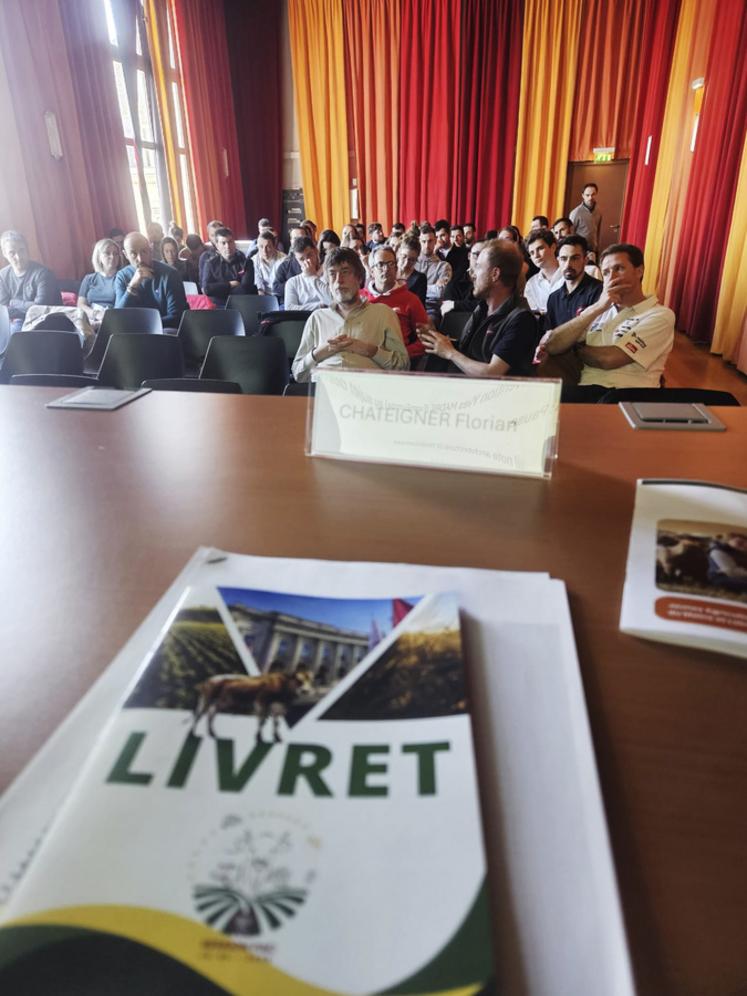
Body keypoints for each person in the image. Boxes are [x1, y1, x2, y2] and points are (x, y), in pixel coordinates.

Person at [539, 243, 675, 397]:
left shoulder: (660, 315)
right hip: (587, 390)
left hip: (630, 395)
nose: (612, 277)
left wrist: (574, 348)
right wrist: (598, 307)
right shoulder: (597, 310)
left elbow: (609, 359)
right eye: (606, 272)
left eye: (619, 269)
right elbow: (552, 345)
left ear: (639, 271)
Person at [418, 239, 538, 378]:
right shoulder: (482, 308)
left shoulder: (521, 319)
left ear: (495, 274)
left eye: (479, 267)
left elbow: (493, 372)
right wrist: (435, 338)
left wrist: (450, 352)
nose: (473, 273)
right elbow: (469, 352)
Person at [291, 246, 409, 382]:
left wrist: (370, 351)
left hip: (367, 394)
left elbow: (403, 367)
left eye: (345, 272)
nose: (338, 280)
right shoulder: (317, 318)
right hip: (325, 393)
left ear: (359, 278)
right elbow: (298, 374)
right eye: (332, 274)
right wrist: (322, 351)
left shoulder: (383, 314)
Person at [361, 244, 430, 365]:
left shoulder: (411, 300)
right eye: (380, 264)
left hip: (395, 363)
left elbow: (425, 339)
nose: (386, 269)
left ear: (396, 268)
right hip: (363, 360)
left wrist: (402, 354)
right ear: (372, 270)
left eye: (390, 264)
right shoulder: (359, 298)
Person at [114, 231, 188, 328]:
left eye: (144, 251)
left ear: (151, 250)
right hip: (134, 334)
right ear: (125, 255)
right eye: (133, 253)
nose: (140, 259)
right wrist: (132, 287)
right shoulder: (122, 276)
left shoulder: (170, 274)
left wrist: (143, 326)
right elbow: (118, 318)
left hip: (165, 330)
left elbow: (177, 318)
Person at [0, 230, 61, 324]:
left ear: (27, 249)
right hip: (17, 321)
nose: (18, 257)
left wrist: (13, 302)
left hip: (46, 322)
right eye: (12, 253)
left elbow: (40, 308)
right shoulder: (2, 276)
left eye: (21, 250)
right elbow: (3, 309)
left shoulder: (43, 274)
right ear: (4, 254)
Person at [545, 236, 603, 330]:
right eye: (564, 259)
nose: (568, 265)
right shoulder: (554, 298)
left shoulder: (599, 291)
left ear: (585, 260)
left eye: (574, 258)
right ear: (558, 260)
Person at [201, 227, 255, 305]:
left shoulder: (247, 262)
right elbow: (207, 289)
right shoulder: (210, 264)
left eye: (230, 242)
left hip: (241, 304)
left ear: (234, 243)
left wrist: (218, 290)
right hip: (217, 306)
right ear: (217, 245)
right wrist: (229, 284)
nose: (228, 246)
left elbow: (245, 289)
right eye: (223, 243)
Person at [284, 237, 331, 311]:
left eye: (309, 255)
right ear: (297, 260)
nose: (307, 261)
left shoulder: (330, 275)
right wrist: (320, 305)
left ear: (316, 251)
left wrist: (312, 276)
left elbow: (332, 301)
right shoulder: (292, 282)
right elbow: (289, 308)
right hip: (302, 321)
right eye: (301, 259)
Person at [415, 225, 452, 318]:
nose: (427, 245)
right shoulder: (411, 262)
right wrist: (433, 287)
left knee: (427, 323)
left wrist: (415, 287)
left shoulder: (444, 266)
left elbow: (440, 292)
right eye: (423, 241)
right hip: (409, 303)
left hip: (430, 307)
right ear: (419, 241)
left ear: (435, 241)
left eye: (430, 241)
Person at [524, 230, 563, 314]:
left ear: (553, 247)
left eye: (540, 248)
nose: (536, 255)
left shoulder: (568, 275)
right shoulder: (531, 284)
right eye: (532, 252)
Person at [77, 238, 120, 310]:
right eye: (107, 253)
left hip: (112, 315)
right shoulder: (89, 278)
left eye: (115, 254)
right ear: (98, 256)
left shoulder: (122, 277)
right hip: (91, 316)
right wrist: (92, 313)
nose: (112, 257)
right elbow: (81, 304)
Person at [272, 226, 306, 302]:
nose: (298, 241)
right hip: (288, 303)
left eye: (301, 238)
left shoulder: (316, 262)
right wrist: (295, 284)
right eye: (295, 238)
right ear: (291, 241)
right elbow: (276, 287)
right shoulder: (284, 264)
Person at [569, 183, 602, 256]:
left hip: (594, 249)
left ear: (597, 195)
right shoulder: (576, 212)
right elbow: (571, 233)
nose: (590, 197)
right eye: (587, 195)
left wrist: (597, 246)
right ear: (583, 195)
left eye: (593, 194)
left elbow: (598, 230)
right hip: (580, 249)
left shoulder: (598, 211)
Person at [253, 230, 285, 295]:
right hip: (264, 294)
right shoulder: (254, 260)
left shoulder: (284, 260)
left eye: (268, 247)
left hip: (281, 294)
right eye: (261, 247)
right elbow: (258, 281)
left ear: (274, 246)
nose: (264, 251)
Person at [397, 237, 427, 305]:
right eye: (404, 257)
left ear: (417, 259)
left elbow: (419, 306)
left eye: (412, 260)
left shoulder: (420, 278)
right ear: (398, 253)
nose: (406, 263)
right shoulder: (389, 272)